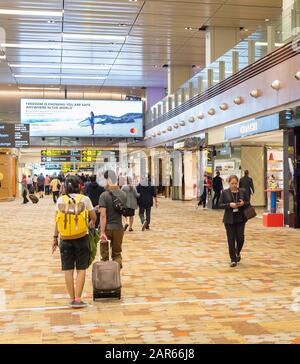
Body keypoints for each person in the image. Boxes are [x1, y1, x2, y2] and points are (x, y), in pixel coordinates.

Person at [52, 175, 96, 308]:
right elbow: (94, 217)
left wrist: (55, 238)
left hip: (64, 239)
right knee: (81, 269)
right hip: (81, 237)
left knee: (68, 270)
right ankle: (78, 299)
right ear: (80, 186)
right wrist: (90, 223)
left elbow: (57, 221)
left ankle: (71, 299)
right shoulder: (85, 199)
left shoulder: (60, 200)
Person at [219, 175, 250, 268]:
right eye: (232, 183)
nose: (234, 185)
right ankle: (233, 259)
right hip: (229, 219)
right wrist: (229, 205)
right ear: (229, 183)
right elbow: (220, 204)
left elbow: (248, 202)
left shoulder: (242, 191)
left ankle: (237, 252)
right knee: (231, 239)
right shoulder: (225, 192)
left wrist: (243, 203)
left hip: (240, 218)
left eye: (236, 183)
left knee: (240, 238)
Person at [98, 170, 127, 268]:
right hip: (119, 228)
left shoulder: (104, 195)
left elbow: (103, 216)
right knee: (117, 254)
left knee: (104, 256)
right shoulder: (123, 194)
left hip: (107, 229)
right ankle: (116, 277)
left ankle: (106, 279)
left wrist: (102, 232)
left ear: (108, 180)